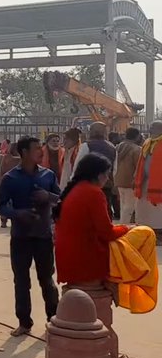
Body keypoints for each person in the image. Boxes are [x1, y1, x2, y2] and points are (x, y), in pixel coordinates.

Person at [0, 136, 60, 337]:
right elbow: (1, 206)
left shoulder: (48, 176)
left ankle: (54, 318)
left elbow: (61, 200)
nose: (41, 152)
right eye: (36, 149)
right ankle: (24, 322)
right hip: (21, 236)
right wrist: (17, 214)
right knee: (21, 281)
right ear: (23, 152)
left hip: (43, 235)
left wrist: (47, 197)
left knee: (47, 279)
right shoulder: (10, 178)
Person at [54, 153, 129, 286]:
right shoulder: (94, 193)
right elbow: (107, 233)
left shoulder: (73, 190)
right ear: (98, 175)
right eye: (106, 174)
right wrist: (127, 229)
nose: (107, 179)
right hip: (86, 261)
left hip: (67, 259)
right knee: (143, 235)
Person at [75, 121, 117, 219]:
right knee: (105, 210)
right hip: (106, 185)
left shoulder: (86, 146)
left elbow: (78, 166)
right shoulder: (112, 147)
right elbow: (115, 169)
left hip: (87, 184)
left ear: (91, 132)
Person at [132, 120, 162, 244]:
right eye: (150, 128)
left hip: (159, 184)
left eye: (153, 128)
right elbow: (141, 162)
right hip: (145, 184)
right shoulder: (147, 143)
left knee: (158, 212)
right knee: (145, 210)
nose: (150, 131)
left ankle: (159, 235)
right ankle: (147, 234)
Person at [114, 127, 142, 224]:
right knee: (130, 207)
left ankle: (122, 225)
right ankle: (124, 227)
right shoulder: (137, 149)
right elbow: (139, 167)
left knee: (123, 206)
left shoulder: (117, 147)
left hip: (118, 181)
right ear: (137, 136)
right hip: (131, 182)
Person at [0, 141, 21, 228]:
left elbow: (2, 170)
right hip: (17, 184)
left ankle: (4, 221)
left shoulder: (6, 158)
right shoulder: (21, 159)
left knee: (6, 203)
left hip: (7, 183)